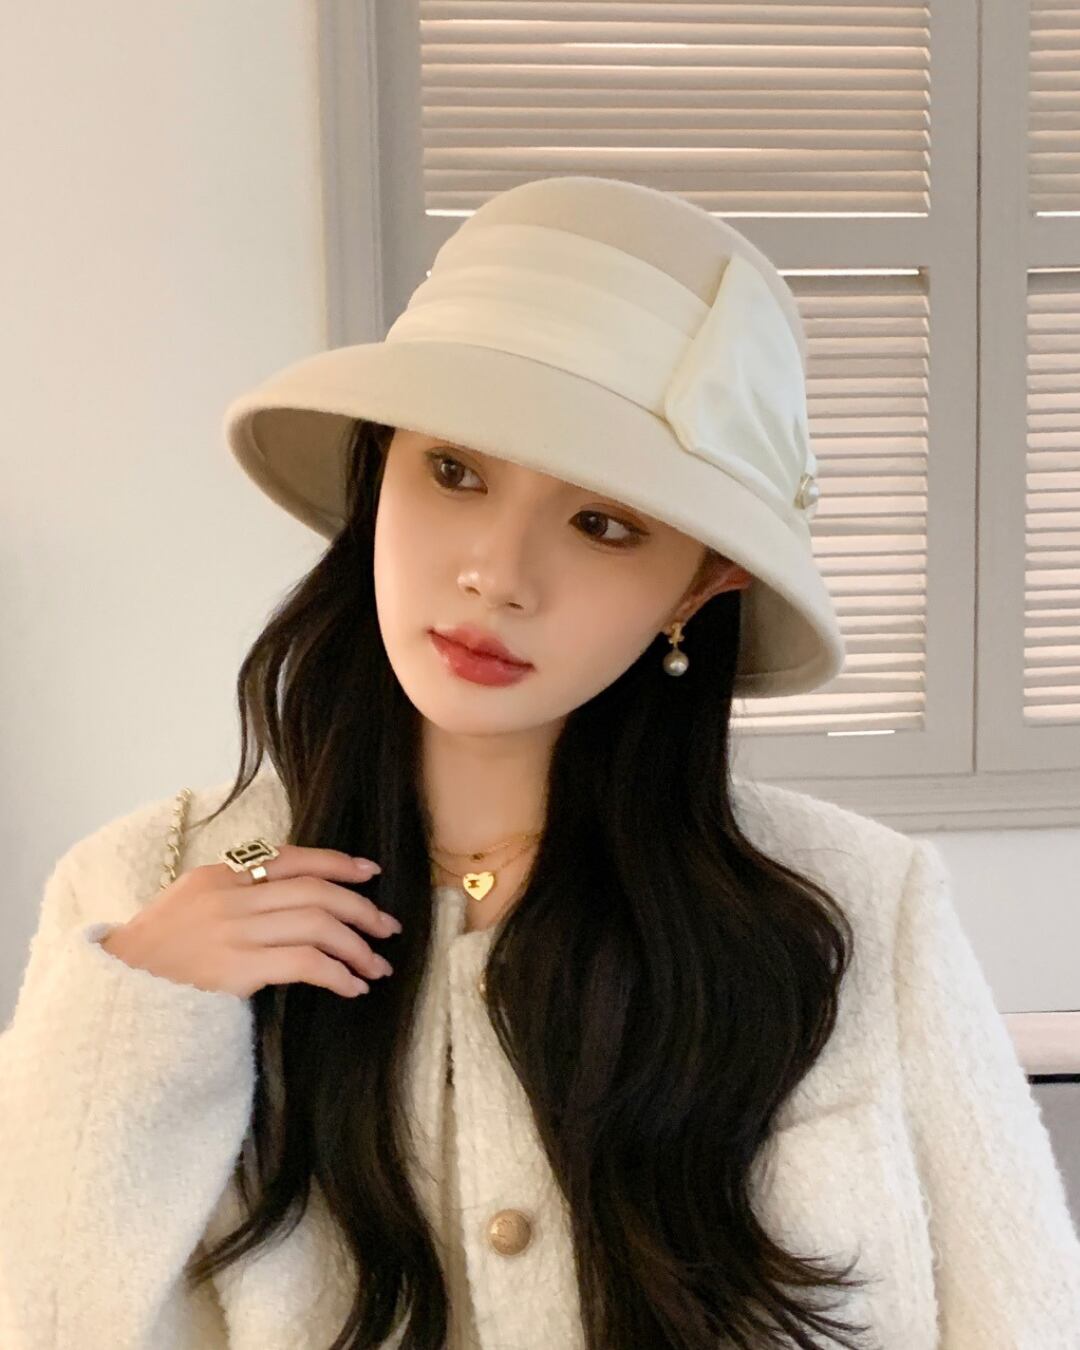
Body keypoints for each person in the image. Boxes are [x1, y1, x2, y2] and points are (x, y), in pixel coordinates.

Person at [2, 175, 1078, 1350]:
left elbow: (1023, 1315)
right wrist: (141, 1019)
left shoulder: (859, 908)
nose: (498, 574)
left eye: (605, 524)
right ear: (377, 469)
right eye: (454, 472)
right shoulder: (137, 896)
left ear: (701, 584)